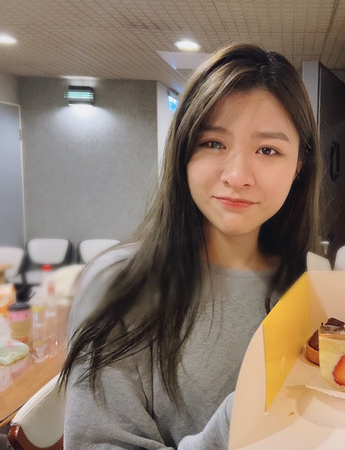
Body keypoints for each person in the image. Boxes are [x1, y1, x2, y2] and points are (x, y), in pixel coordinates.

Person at [59, 43, 321, 449]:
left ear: (299, 164)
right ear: (183, 150)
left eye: (267, 150)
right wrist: (239, 422)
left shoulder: (307, 282)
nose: (237, 176)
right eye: (213, 143)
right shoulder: (121, 284)